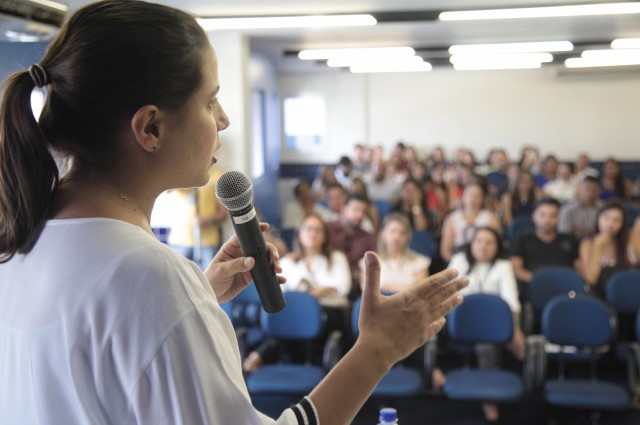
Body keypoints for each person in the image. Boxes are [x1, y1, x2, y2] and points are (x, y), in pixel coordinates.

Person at [0, 2, 468, 424]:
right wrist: (377, 351)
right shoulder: (148, 276)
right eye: (209, 100)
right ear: (151, 127)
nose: (223, 119)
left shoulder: (24, 236)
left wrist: (197, 297)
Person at [243, 213, 352, 374]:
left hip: (330, 313)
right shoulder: (288, 262)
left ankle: (260, 354)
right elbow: (282, 292)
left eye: (318, 230)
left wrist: (316, 293)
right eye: (308, 229)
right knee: (285, 316)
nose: (312, 233)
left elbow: (343, 287)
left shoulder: (336, 258)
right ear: (299, 234)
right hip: (295, 313)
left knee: (296, 317)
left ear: (325, 236)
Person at [446, 226, 524, 422]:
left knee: (487, 342)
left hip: (490, 324)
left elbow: (511, 301)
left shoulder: (503, 266)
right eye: (479, 241)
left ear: (497, 247)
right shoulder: (459, 261)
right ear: (471, 244)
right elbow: (446, 291)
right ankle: (434, 373)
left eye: (490, 242)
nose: (483, 246)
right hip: (459, 318)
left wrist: (516, 328)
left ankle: (488, 396)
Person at [510, 198, 581, 303]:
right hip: (534, 287)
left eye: (553, 216)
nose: (547, 220)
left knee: (575, 296)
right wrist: (542, 280)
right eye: (543, 215)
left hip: (566, 289)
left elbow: (579, 269)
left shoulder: (570, 240)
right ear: (534, 216)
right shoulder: (523, 238)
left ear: (558, 218)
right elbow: (516, 269)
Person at [166, 168, 228, 269]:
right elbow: (166, 188)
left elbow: (223, 213)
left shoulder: (217, 176)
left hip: (208, 243)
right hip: (179, 241)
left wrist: (207, 221)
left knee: (208, 281)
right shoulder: (179, 173)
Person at [579, 201, 640, 298]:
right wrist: (598, 247)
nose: (610, 224)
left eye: (616, 220)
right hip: (603, 295)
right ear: (598, 219)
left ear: (622, 224)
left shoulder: (632, 237)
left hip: (632, 290)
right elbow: (591, 280)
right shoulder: (588, 243)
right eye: (606, 218)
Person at [359, 213, 431, 294]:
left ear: (408, 236)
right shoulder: (371, 261)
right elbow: (366, 289)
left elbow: (421, 290)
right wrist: (404, 288)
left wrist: (387, 287)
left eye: (402, 233)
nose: (397, 237)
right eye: (392, 231)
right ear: (383, 233)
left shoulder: (419, 261)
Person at [440, 177, 501, 263]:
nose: (473, 198)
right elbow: (445, 251)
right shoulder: (451, 219)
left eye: (477, 195)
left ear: (482, 199)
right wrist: (457, 263)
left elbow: (496, 246)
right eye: (470, 194)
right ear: (463, 197)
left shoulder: (491, 218)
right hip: (458, 261)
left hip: (485, 262)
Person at [327, 194, 377, 297]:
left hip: (355, 289)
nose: (359, 215)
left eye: (363, 212)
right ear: (343, 208)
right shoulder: (327, 229)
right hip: (327, 281)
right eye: (356, 209)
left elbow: (371, 267)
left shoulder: (368, 238)